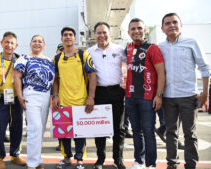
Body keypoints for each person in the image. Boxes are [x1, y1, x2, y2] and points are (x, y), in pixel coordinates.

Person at [159, 13, 210, 169]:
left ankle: (191, 165)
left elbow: (204, 68)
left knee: (190, 134)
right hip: (168, 98)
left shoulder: (192, 43)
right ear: (162, 28)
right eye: (167, 23)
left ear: (181, 25)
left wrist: (205, 94)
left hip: (188, 97)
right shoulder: (159, 48)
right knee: (171, 133)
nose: (172, 25)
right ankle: (172, 164)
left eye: (175, 22)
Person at [52, 27, 96, 169]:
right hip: (63, 101)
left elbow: (92, 75)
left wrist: (91, 97)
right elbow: (55, 79)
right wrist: (55, 95)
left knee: (80, 134)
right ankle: (66, 159)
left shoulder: (84, 55)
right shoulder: (57, 58)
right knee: (64, 134)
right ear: (62, 39)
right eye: (65, 35)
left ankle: (80, 160)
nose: (68, 37)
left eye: (71, 35)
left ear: (75, 38)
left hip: (81, 101)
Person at [125, 18, 165, 169]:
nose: (136, 31)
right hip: (130, 97)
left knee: (148, 131)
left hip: (148, 98)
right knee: (136, 131)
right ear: (128, 32)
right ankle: (139, 161)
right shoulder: (128, 48)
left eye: (139, 28)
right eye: (133, 29)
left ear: (144, 30)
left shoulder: (152, 48)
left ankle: (151, 164)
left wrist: (159, 95)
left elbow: (161, 73)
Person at [87, 22, 126, 169]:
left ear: (110, 34)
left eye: (105, 32)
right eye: (99, 32)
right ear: (94, 35)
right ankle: (100, 159)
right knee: (100, 128)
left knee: (119, 128)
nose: (102, 35)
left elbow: (132, 66)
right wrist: (90, 96)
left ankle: (118, 159)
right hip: (99, 92)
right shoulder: (89, 52)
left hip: (117, 91)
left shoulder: (120, 50)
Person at [14, 35, 55, 169]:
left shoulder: (49, 61)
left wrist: (55, 95)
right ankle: (32, 164)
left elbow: (55, 81)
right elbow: (17, 77)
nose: (37, 43)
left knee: (41, 129)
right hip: (30, 94)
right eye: (34, 41)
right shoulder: (24, 58)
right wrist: (20, 96)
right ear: (30, 43)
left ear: (44, 44)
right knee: (35, 128)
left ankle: (37, 159)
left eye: (40, 41)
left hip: (46, 96)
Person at [0, 32, 26, 169]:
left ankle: (15, 155)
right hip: (0, 99)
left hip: (16, 99)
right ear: (2, 43)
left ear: (16, 46)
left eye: (12, 43)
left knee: (17, 128)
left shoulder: (20, 59)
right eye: (7, 42)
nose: (9, 45)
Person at [55, 43, 64, 152]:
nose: (62, 52)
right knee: (60, 122)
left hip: (71, 95)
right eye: (60, 50)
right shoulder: (55, 61)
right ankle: (60, 143)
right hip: (58, 95)